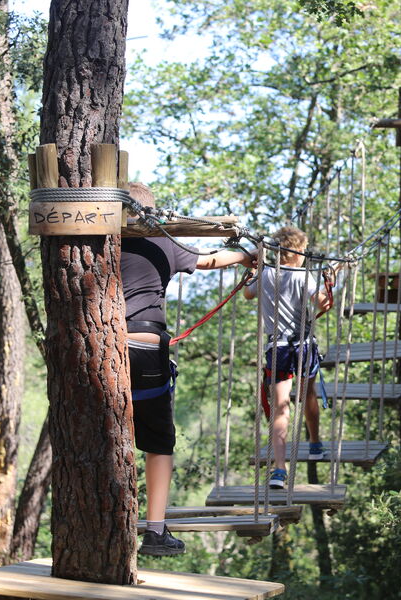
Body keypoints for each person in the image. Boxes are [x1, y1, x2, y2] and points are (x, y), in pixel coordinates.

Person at [122, 182, 252, 555]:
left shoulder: (98, 238)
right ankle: (155, 531)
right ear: (150, 211)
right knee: (159, 442)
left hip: (102, 348)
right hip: (146, 348)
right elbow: (210, 260)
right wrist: (247, 254)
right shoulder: (162, 238)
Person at [243, 226, 335, 490]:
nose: (305, 254)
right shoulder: (304, 276)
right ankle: (315, 444)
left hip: (277, 349)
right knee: (308, 395)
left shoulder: (265, 274)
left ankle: (279, 471)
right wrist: (329, 283)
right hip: (302, 346)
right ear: (294, 253)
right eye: (303, 250)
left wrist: (252, 272)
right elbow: (323, 305)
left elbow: (248, 294)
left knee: (280, 406)